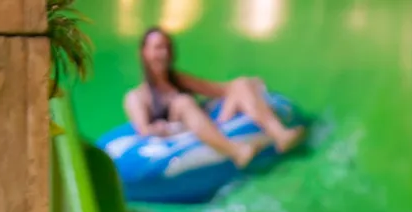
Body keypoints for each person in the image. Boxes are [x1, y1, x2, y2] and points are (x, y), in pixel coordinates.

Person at [123, 27, 307, 171]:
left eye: (167, 48)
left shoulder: (178, 79)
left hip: (210, 124)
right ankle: (236, 151)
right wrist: (166, 128)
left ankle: (280, 135)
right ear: (144, 53)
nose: (163, 54)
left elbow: (220, 89)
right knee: (183, 102)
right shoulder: (137, 97)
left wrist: (250, 83)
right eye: (157, 48)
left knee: (241, 84)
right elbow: (144, 130)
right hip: (180, 137)